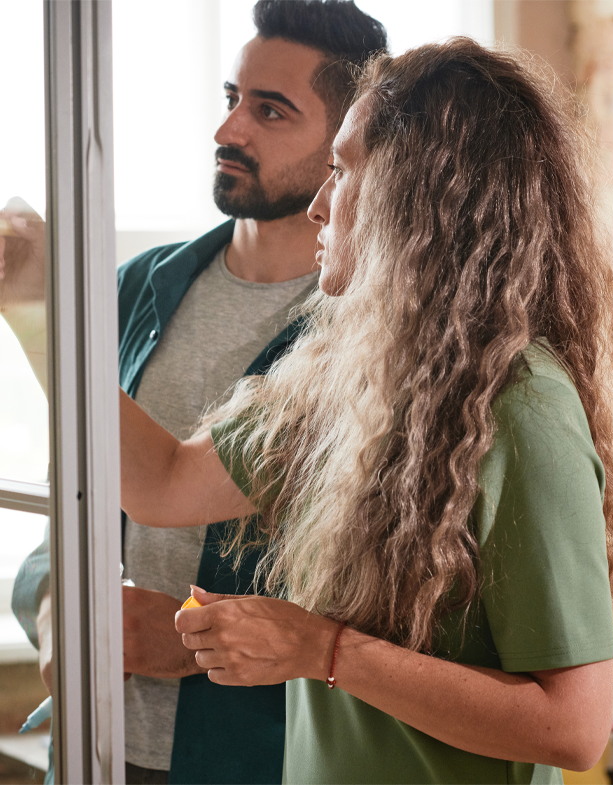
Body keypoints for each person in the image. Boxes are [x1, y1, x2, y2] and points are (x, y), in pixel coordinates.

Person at [118, 38, 613, 784]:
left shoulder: (523, 405)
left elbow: (573, 726)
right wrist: (46, 307)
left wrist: (321, 650)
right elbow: (162, 483)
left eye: (344, 170)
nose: (321, 205)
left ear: (422, 197)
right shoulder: (339, 381)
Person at [5, 2, 388, 783]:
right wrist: (58, 615)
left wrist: (193, 638)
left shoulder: (370, 334)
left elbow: (389, 597)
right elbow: (70, 511)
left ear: (348, 146)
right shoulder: (137, 287)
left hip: (256, 759)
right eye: (230, 98)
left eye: (270, 110)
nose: (228, 131)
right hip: (96, 748)